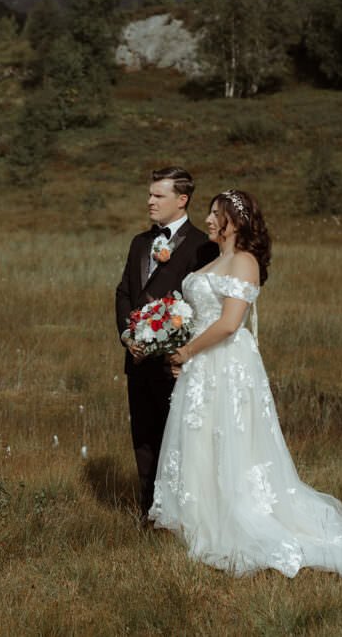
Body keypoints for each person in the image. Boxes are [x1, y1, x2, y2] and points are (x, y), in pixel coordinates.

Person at [148, 189, 342, 577]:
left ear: (235, 221)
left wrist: (187, 352)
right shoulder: (215, 261)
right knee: (199, 440)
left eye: (216, 214)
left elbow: (229, 323)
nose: (208, 220)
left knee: (230, 442)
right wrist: (176, 347)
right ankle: (200, 519)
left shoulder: (245, 262)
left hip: (224, 365)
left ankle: (236, 521)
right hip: (201, 367)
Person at [115, 167, 219, 521]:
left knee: (179, 442)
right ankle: (149, 513)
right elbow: (125, 292)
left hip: (177, 363)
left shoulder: (202, 246)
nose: (150, 202)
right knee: (143, 438)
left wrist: (178, 347)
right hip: (138, 359)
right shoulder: (138, 243)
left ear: (182, 199)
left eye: (158, 196)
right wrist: (129, 337)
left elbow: (206, 304)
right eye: (149, 195)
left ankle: (183, 514)